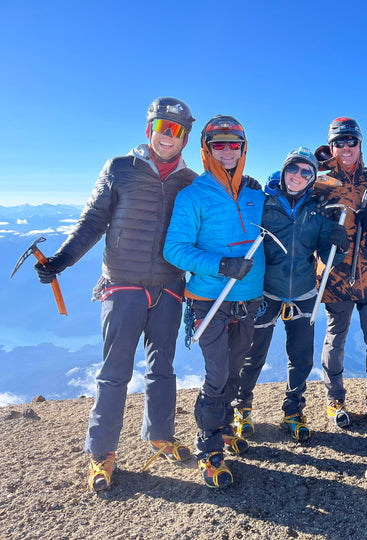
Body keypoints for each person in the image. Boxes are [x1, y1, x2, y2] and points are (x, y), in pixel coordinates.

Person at [34, 97, 197, 492]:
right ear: (150, 131)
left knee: (163, 368)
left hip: (171, 286)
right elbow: (93, 220)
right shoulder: (120, 169)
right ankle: (101, 452)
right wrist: (62, 260)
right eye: (162, 128)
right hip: (122, 283)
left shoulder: (189, 181)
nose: (168, 136)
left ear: (185, 138)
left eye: (176, 131)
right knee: (114, 373)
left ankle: (159, 435)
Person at [163, 115, 265, 488]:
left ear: (243, 148)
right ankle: (209, 449)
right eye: (218, 144)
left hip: (249, 300)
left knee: (234, 372)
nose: (226, 151)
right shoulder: (193, 195)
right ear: (206, 149)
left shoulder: (256, 194)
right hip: (210, 301)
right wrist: (222, 264)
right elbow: (175, 249)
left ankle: (221, 430)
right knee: (217, 374)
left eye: (233, 144)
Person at [234, 149, 349, 442]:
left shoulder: (318, 211)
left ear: (312, 178)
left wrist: (339, 246)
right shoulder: (266, 204)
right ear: (284, 171)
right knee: (253, 354)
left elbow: (326, 254)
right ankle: (242, 406)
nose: (298, 176)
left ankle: (293, 410)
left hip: (304, 292)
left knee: (300, 356)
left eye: (306, 172)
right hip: (266, 292)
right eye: (293, 170)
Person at [312, 117, 367, 430]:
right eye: (339, 142)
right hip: (335, 277)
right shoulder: (317, 182)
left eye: (351, 140)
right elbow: (301, 221)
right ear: (331, 146)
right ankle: (334, 399)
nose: (346, 147)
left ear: (361, 143)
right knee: (335, 340)